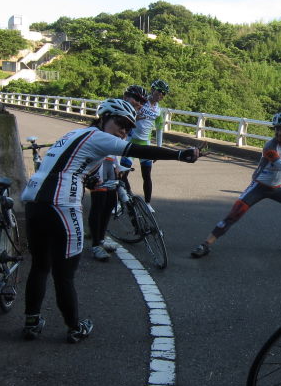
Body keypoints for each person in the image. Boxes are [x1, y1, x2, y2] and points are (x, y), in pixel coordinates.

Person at [21, 98, 199, 343]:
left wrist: (89, 180)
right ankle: (74, 328)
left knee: (40, 265)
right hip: (62, 202)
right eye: (120, 123)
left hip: (33, 199)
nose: (124, 131)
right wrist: (179, 154)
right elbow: (138, 150)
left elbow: (72, 166)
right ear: (103, 118)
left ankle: (31, 322)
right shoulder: (98, 137)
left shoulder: (77, 133)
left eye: (128, 127)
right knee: (64, 273)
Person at [190, 111, 281, 258]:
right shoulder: (270, 146)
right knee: (234, 214)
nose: (279, 132)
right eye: (277, 129)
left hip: (278, 188)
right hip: (259, 186)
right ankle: (205, 244)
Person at [124, 79, 169, 211]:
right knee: (122, 174)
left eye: (164, 93)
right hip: (131, 141)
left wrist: (158, 149)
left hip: (145, 144)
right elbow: (127, 115)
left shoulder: (159, 111)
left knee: (147, 175)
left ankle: (148, 203)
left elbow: (159, 130)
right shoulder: (141, 102)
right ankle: (123, 199)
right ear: (152, 89)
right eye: (159, 91)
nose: (160, 95)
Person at [87, 153, 125, 261]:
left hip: (110, 162)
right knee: (99, 203)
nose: (123, 135)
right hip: (98, 162)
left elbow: (115, 147)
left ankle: (101, 240)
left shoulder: (118, 136)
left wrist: (117, 165)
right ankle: (95, 246)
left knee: (110, 202)